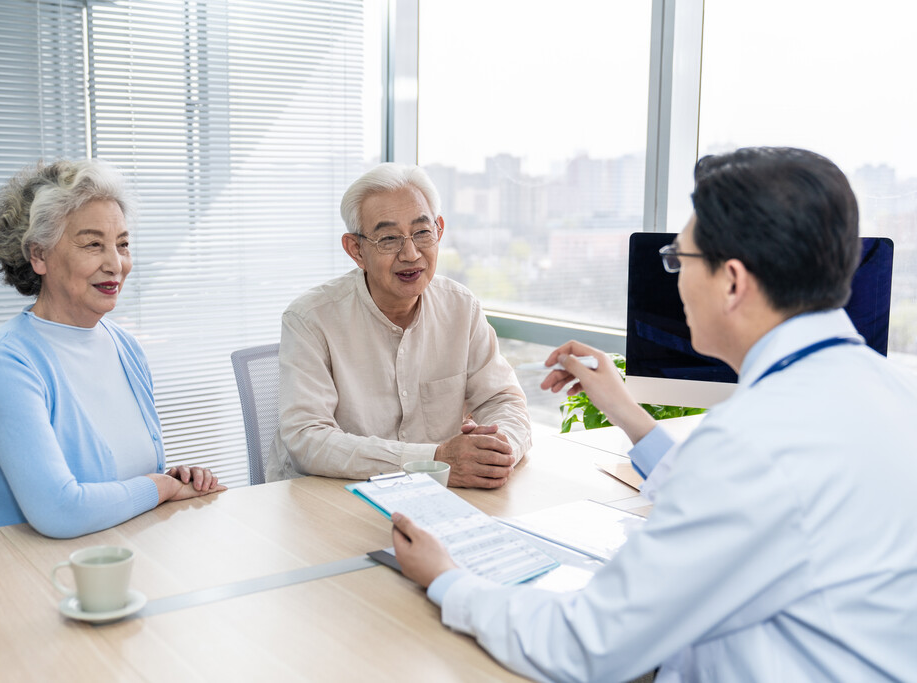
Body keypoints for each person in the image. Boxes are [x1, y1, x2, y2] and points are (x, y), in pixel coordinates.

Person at [390, 147, 917, 681]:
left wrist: (447, 579)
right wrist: (626, 412)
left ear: (732, 282)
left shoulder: (753, 442)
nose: (676, 280)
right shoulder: (890, 392)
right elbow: (742, 497)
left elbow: (588, 643)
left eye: (678, 260)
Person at [0, 159, 225, 539]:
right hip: (19, 572)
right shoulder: (3, 362)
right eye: (93, 245)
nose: (116, 264)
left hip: (116, 556)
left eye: (122, 244)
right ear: (38, 255)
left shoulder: (124, 346)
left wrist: (176, 478)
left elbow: (131, 478)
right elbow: (59, 510)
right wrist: (162, 488)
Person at [268, 163, 531, 488]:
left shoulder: (461, 307)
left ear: (439, 231)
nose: (410, 254)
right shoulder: (310, 319)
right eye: (389, 239)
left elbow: (502, 400)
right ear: (356, 250)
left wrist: (500, 450)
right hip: (333, 499)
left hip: (438, 496)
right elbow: (306, 438)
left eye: (422, 233)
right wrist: (434, 459)